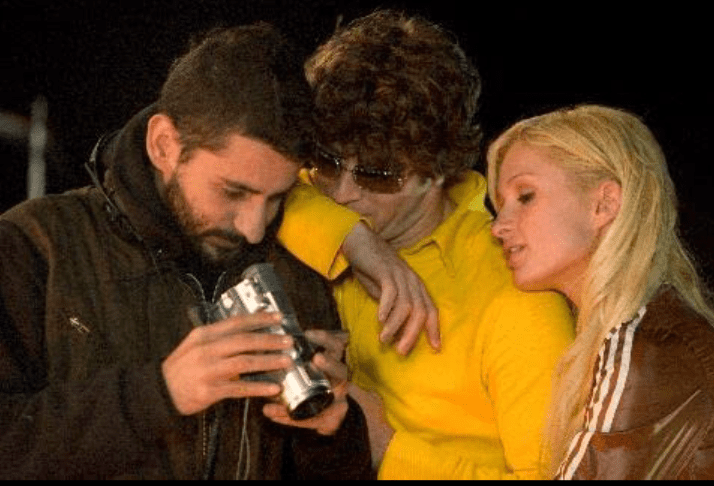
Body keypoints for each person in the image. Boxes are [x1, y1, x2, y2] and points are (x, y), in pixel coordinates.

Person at [0, 23, 377, 479]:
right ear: (164, 145)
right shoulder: (36, 244)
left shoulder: (299, 269)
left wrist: (332, 433)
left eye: (277, 198)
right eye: (233, 192)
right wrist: (159, 394)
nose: (254, 228)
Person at [276, 9, 575, 479]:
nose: (343, 193)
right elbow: (266, 186)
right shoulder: (321, 205)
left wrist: (384, 445)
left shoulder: (517, 296)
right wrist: (352, 238)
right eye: (328, 163)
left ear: (438, 169)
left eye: (377, 174)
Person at [488, 104, 714, 479]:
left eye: (525, 196)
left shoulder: (651, 348)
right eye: (499, 206)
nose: (498, 226)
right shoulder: (641, 335)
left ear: (604, 204)